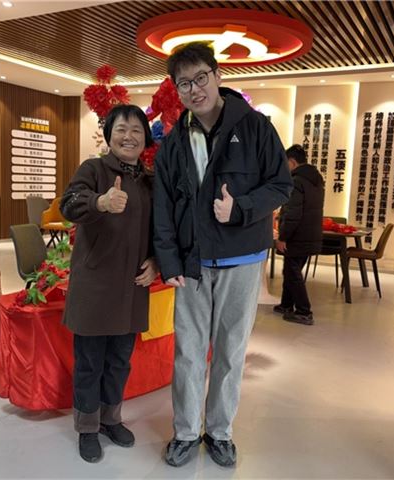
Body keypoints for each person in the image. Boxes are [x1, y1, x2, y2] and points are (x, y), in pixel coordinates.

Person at [153, 42, 293, 468]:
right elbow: (163, 206)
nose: (194, 89)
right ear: (176, 90)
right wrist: (168, 261)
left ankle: (219, 432)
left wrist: (241, 208)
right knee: (189, 352)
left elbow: (281, 185)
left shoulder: (255, 127)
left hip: (242, 259)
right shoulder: (175, 142)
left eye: (200, 78)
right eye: (183, 84)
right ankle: (185, 432)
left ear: (217, 76)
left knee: (231, 351)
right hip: (192, 264)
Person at [60, 104, 158, 463]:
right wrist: (100, 201)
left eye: (136, 130)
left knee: (119, 360)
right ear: (109, 135)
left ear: (145, 138)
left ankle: (111, 419)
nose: (128, 136)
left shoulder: (150, 181)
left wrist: (156, 261)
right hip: (96, 284)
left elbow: (159, 229)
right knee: (90, 361)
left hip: (132, 286)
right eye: (121, 129)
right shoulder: (93, 169)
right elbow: (68, 204)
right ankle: (87, 427)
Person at [274, 144, 324, 325]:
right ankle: (286, 305)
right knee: (291, 270)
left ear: (292, 162)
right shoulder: (315, 180)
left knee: (292, 272)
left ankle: (304, 311)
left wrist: (283, 237)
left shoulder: (296, 181)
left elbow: (293, 213)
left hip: (297, 235)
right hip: (310, 234)